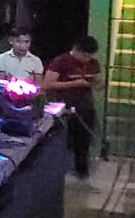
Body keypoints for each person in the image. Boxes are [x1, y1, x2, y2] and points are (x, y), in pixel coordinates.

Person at [43, 35, 102, 179]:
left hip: (86, 106)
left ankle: (81, 170)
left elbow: (99, 83)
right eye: (85, 55)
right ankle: (60, 169)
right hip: (65, 107)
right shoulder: (61, 61)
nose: (87, 58)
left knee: (83, 140)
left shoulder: (94, 64)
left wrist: (95, 84)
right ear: (76, 50)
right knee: (65, 139)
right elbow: (48, 84)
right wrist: (72, 84)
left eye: (90, 55)